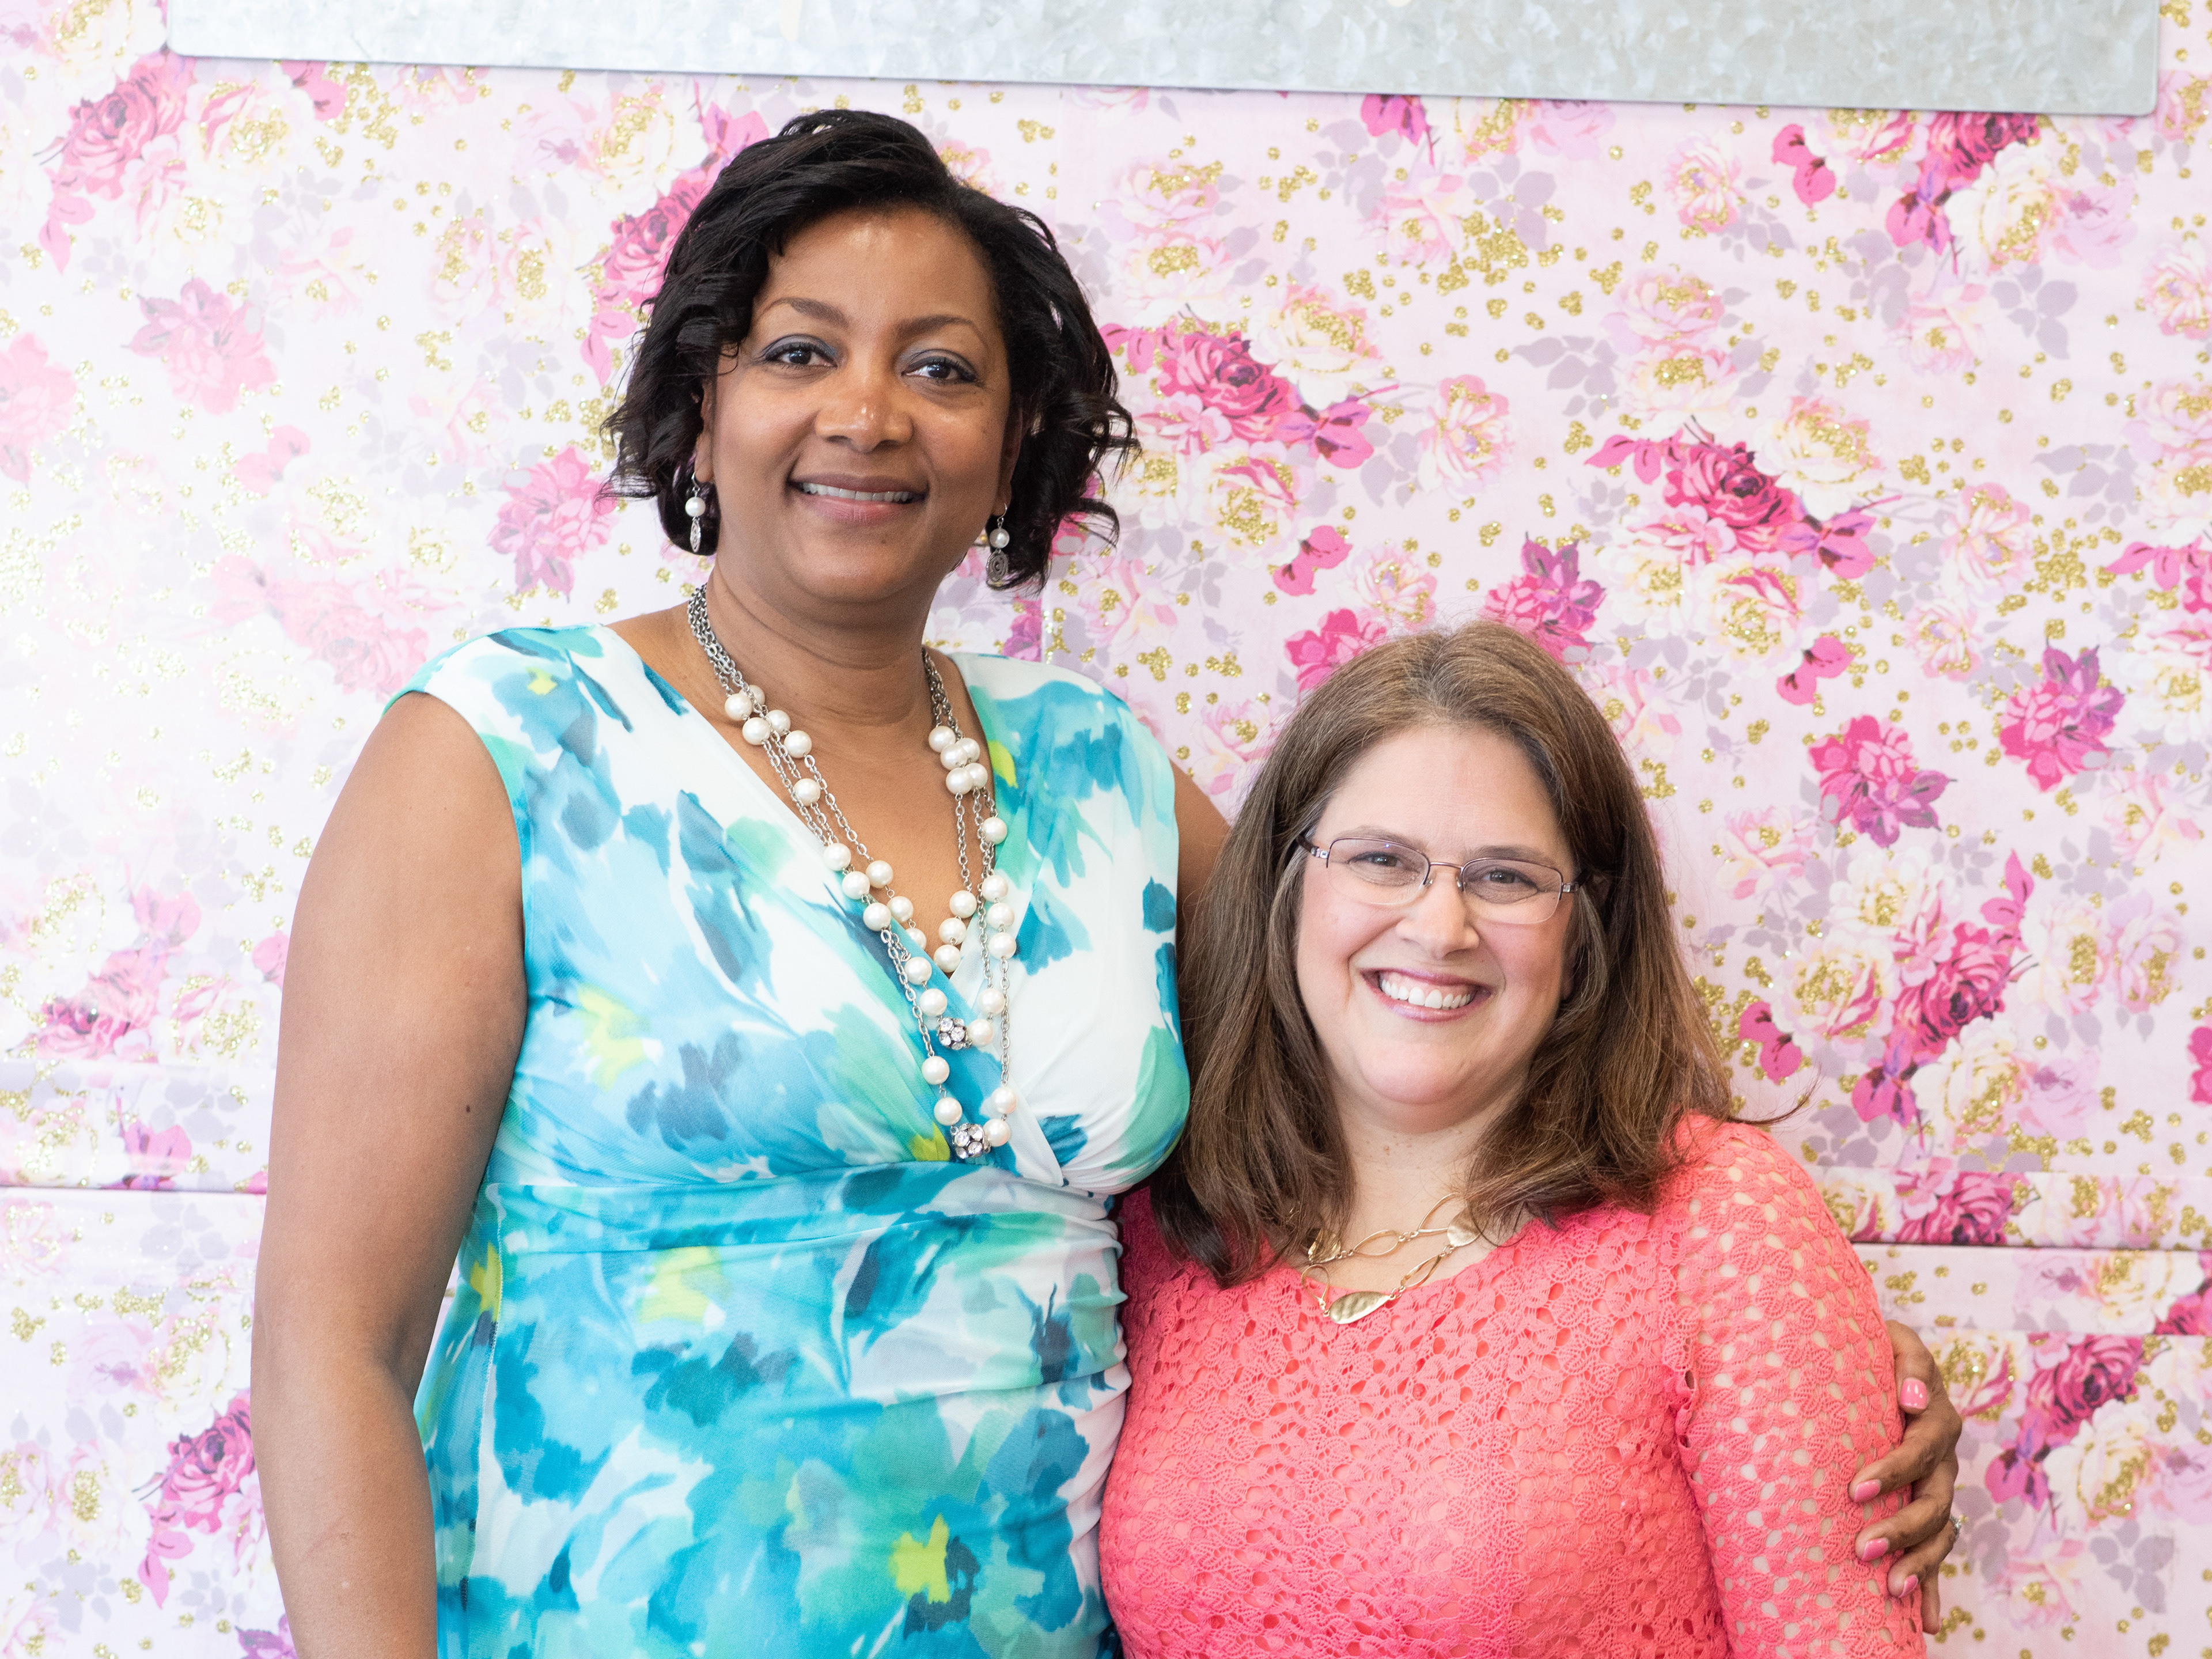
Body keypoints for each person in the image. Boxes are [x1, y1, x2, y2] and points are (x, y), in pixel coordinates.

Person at [252, 111, 1958, 1656]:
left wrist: (1778, 1352)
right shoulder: (504, 749)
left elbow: (1406, 1026)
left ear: (1014, 445)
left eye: (941, 367)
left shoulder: (1095, 771)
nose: (868, 413)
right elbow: (337, 1336)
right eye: (800, 350)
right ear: (705, 399)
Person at [1101, 620, 1940, 1655]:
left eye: (1505, 877)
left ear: (1587, 924)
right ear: (1284, 881)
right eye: (1380, 860)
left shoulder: (1720, 1226)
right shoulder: (1164, 1224)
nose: (1439, 927)